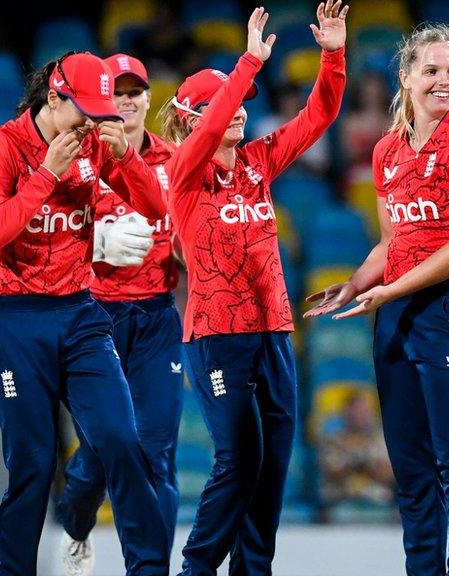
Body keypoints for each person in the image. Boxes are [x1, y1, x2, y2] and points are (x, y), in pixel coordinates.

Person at [156, 5, 347, 574]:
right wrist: (246, 63)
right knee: (239, 459)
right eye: (221, 104)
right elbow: (212, 126)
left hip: (273, 336)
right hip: (217, 337)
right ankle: (196, 567)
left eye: (240, 101)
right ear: (192, 120)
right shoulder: (184, 174)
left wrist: (332, 55)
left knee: (272, 468)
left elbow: (320, 114)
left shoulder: (257, 163)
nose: (236, 110)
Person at [305, 22, 449, 576]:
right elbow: (394, 241)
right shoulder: (387, 150)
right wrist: (357, 283)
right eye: (432, 71)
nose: (445, 82)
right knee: (412, 468)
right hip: (396, 314)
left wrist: (390, 288)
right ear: (406, 77)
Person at [0, 51, 169, 575]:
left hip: (80, 314)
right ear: (54, 98)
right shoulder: (5, 145)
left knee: (122, 441)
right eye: (85, 109)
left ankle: (148, 569)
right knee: (34, 465)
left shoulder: (93, 141)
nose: (95, 121)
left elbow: (155, 209)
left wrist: (126, 157)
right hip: (12, 317)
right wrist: (44, 175)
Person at [54, 53, 182, 576]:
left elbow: (182, 234)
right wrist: (97, 244)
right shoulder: (76, 157)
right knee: (107, 452)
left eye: (136, 92)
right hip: (93, 318)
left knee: (157, 453)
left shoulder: (174, 160)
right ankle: (76, 521)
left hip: (155, 318)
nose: (126, 101)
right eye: (118, 92)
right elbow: (46, 233)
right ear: (102, 97)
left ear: (149, 100)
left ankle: (150, 569)